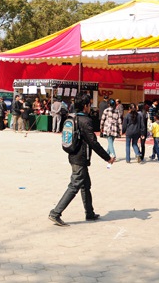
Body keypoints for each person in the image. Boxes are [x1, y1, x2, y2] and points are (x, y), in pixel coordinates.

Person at [48, 92, 114, 227]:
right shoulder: (85, 121)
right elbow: (93, 143)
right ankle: (55, 213)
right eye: (89, 104)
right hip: (80, 158)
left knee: (85, 185)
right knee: (75, 185)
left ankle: (89, 213)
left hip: (73, 155)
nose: (90, 107)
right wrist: (107, 158)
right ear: (85, 106)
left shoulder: (72, 118)